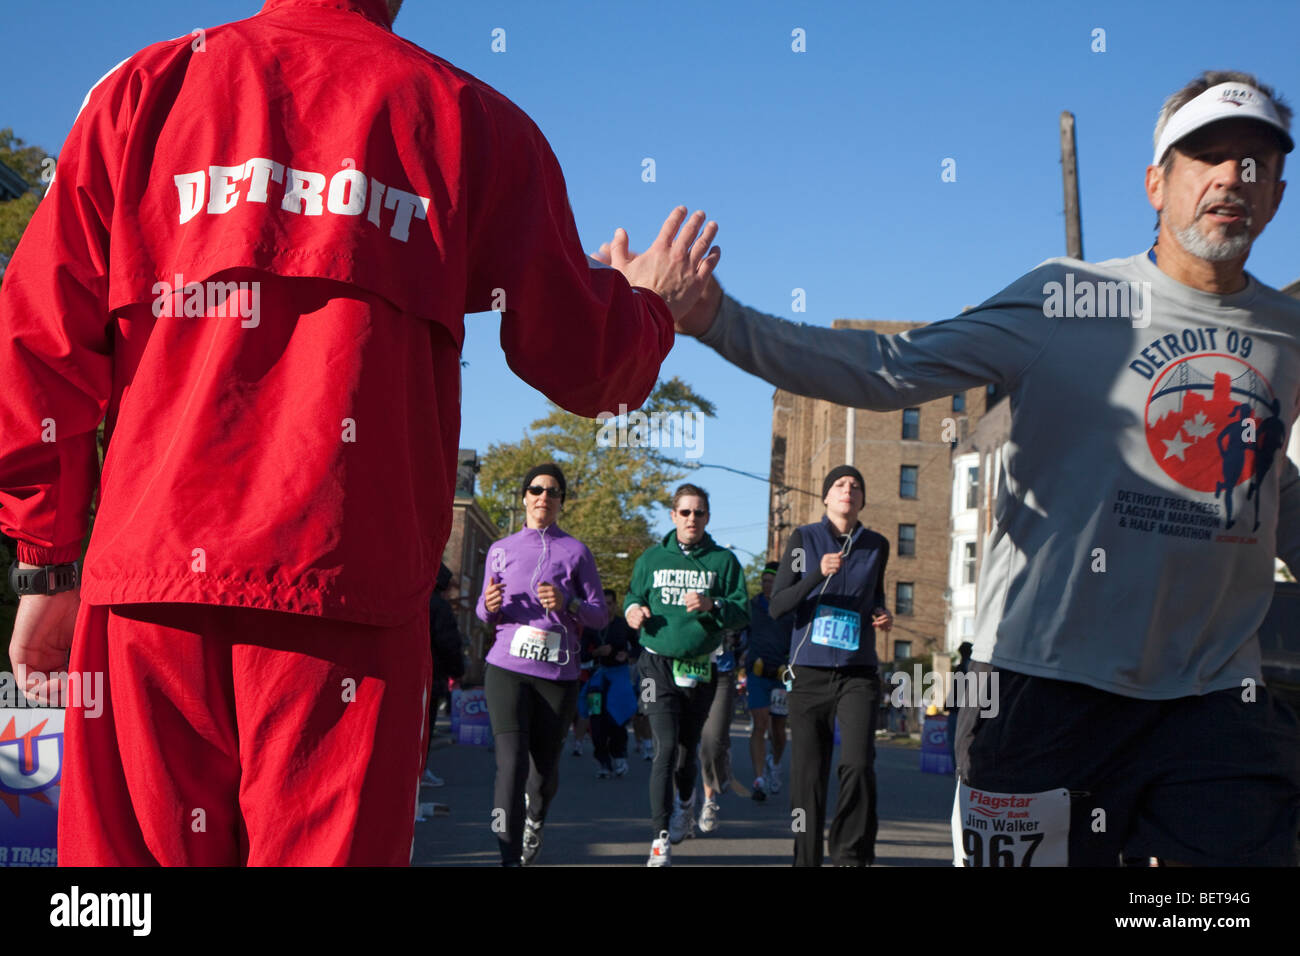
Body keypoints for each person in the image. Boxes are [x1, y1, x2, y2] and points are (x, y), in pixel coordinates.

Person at [0, 0, 719, 865]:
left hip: (149, 594)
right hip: (345, 601)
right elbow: (583, 357)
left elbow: (34, 343)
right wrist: (654, 308)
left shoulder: (147, 92)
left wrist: (46, 560)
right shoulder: (465, 120)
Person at [643, 70, 1300, 866]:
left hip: (1214, 700)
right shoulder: (1067, 299)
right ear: (1157, 182)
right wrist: (716, 317)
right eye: (1209, 156)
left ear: (1277, 190)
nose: (1234, 176)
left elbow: (1271, 488)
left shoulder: (1286, 333)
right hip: (1045, 689)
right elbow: (886, 367)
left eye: (1256, 161)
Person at [476, 464, 607, 866]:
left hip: (557, 674)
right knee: (510, 766)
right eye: (535, 489)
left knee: (542, 774)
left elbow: (601, 616)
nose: (543, 497)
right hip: (507, 667)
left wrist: (568, 604)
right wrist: (489, 607)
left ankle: (536, 818)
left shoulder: (577, 552)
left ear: (560, 502)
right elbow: (484, 611)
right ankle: (508, 857)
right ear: (524, 497)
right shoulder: (500, 549)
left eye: (552, 492)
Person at [768, 466, 893, 867]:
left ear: (862, 500)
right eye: (840, 484)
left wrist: (881, 613)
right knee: (808, 777)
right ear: (826, 497)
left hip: (858, 671)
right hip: (810, 671)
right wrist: (815, 575)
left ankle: (850, 855)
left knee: (857, 764)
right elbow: (778, 605)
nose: (848, 490)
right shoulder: (805, 539)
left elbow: (875, 596)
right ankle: (806, 860)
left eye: (856, 486)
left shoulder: (877, 545)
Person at [625, 484, 749, 865]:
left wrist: (714, 604)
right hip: (655, 663)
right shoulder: (651, 558)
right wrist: (632, 611)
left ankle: (685, 802)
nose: (691, 519)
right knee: (663, 748)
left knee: (686, 749)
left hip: (702, 665)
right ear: (673, 516)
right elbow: (633, 597)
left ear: (708, 518)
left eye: (699, 513)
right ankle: (659, 839)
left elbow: (742, 611)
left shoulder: (723, 561)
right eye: (685, 512)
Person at [743, 561, 794, 802]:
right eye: (763, 580)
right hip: (757, 673)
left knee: (778, 730)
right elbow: (739, 634)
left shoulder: (790, 609)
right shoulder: (752, 606)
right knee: (760, 723)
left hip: (782, 676)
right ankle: (759, 779)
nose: (766, 584)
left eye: (770, 580)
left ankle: (775, 764)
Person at [584, 589, 637, 778]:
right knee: (596, 721)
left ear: (615, 605)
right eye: (603, 603)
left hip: (619, 678)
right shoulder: (591, 626)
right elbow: (580, 654)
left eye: (609, 603)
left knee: (617, 719)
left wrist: (628, 655)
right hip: (597, 680)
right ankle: (603, 761)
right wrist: (596, 653)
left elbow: (639, 646)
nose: (606, 607)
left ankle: (620, 756)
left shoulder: (624, 625)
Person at [698, 625, 744, 831]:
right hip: (682, 669)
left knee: (711, 741)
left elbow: (743, 621)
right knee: (679, 743)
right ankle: (683, 804)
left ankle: (709, 801)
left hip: (721, 672)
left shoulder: (727, 593)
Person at [424, 563, 466, 787]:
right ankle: (419, 771)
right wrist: (458, 671)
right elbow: (448, 643)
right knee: (423, 728)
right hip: (431, 675)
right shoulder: (439, 607)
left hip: (400, 676)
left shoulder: (410, 600)